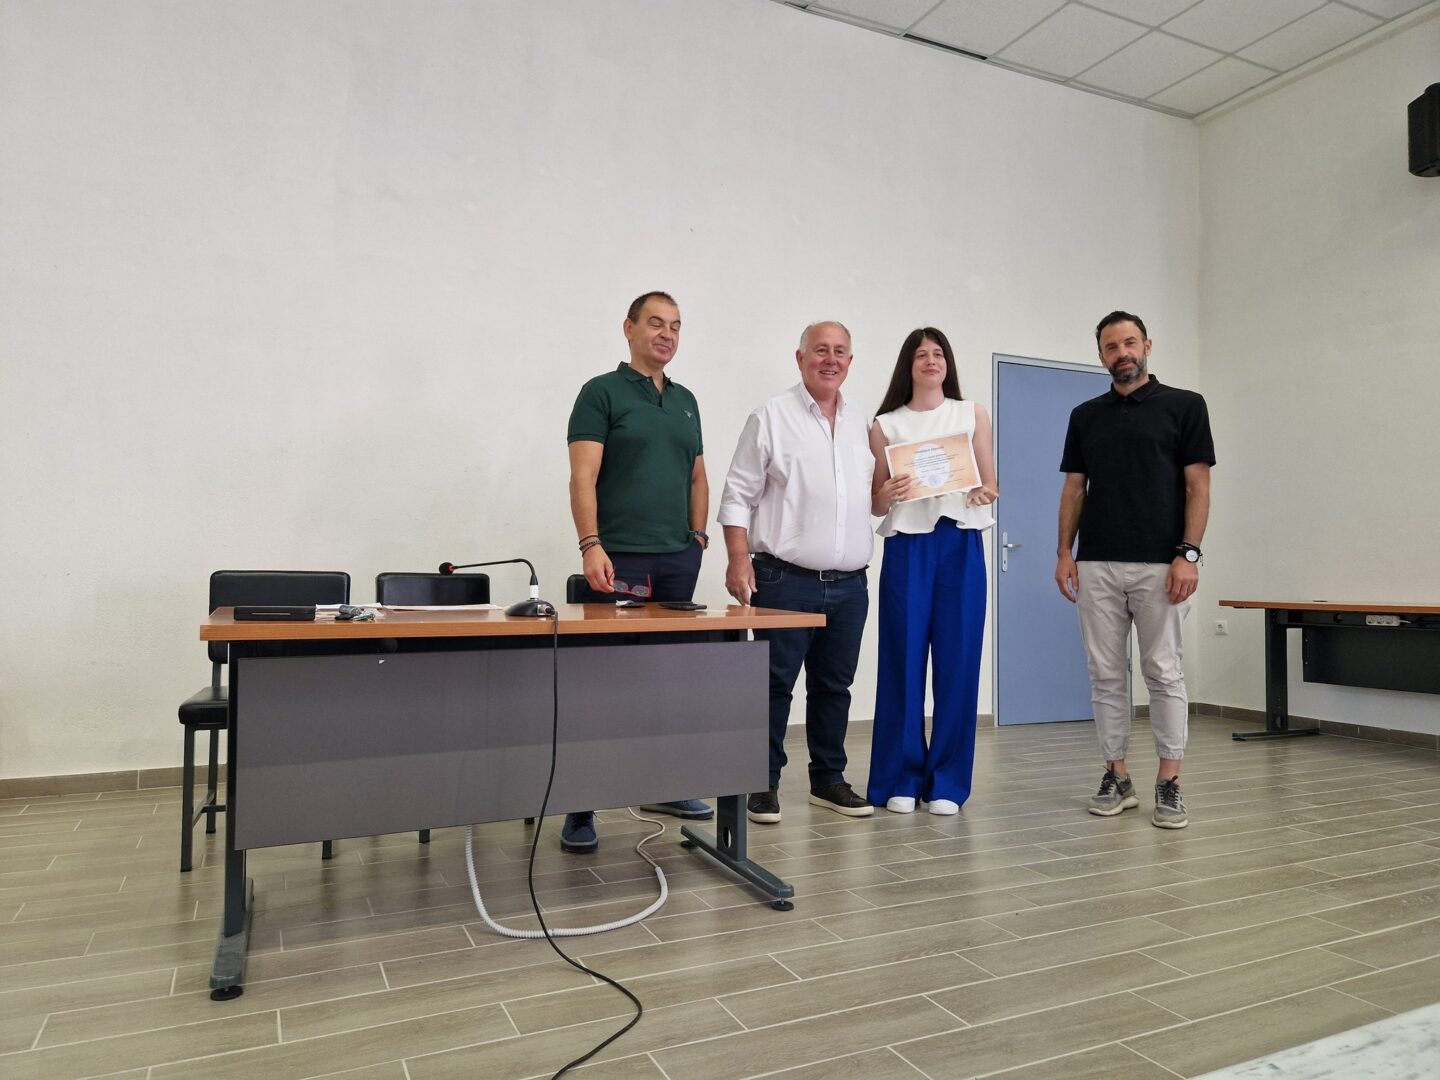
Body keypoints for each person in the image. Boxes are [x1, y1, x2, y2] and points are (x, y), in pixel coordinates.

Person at [562, 290, 714, 852]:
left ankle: (665, 787)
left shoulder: (686, 400)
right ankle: (580, 807)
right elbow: (582, 476)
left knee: (665, 681)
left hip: (676, 561)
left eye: (675, 326)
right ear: (628, 329)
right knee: (601, 686)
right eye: (655, 323)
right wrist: (591, 544)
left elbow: (698, 476)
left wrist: (697, 539)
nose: (667, 334)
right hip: (618, 558)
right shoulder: (600, 392)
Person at [1056, 310, 1214, 830]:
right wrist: (1064, 552)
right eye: (1110, 346)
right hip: (1096, 562)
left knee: (1163, 673)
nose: (1121, 353)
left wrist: (1189, 554)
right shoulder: (1085, 415)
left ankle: (1170, 782)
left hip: (1162, 565)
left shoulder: (1185, 406)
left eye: (1129, 343)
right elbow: (1074, 488)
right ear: (1101, 355)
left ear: (1147, 345)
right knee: (1104, 675)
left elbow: (1197, 486)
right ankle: (1116, 775)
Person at [718, 321, 875, 824]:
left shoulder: (862, 422)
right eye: (820, 350)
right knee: (773, 686)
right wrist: (738, 558)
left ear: (850, 362)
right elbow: (737, 495)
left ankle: (828, 780)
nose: (831, 359)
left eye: (840, 352)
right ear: (800, 357)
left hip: (850, 586)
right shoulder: (771, 416)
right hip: (784, 580)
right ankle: (761, 783)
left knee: (834, 688)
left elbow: (868, 499)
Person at [866, 328, 997, 816]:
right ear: (909, 364)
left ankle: (948, 781)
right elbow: (876, 503)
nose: (930, 361)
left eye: (938, 353)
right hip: (907, 547)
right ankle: (899, 777)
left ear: (948, 363)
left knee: (958, 661)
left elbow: (989, 482)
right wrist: (887, 494)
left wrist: (984, 491)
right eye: (921, 354)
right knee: (901, 659)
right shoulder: (885, 425)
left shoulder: (971, 413)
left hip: (959, 542)